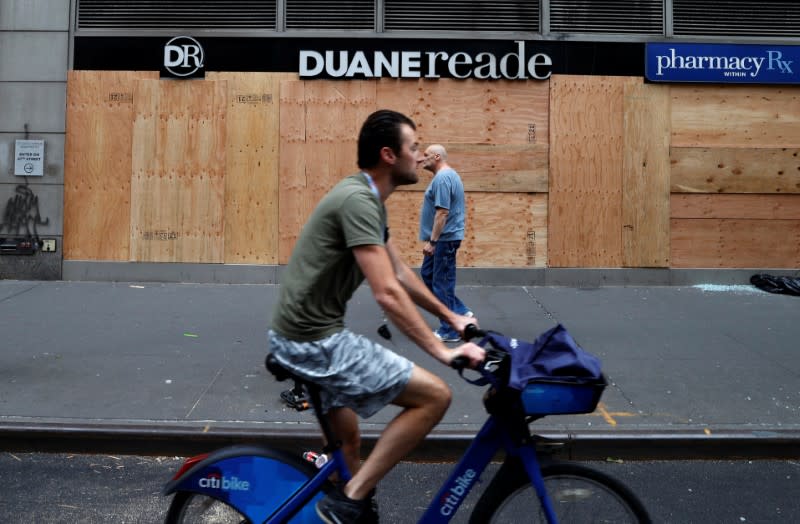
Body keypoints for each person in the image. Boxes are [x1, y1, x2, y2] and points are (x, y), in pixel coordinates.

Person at [268, 109, 486, 524]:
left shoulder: (367, 197)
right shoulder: (358, 200)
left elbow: (401, 273)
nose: (420, 156)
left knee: (348, 444)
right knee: (435, 395)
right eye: (413, 147)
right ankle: (348, 501)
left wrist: (451, 317)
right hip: (313, 340)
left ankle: (347, 501)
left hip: (305, 334)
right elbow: (386, 291)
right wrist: (442, 351)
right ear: (389, 155)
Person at [419, 144, 472, 342]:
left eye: (426, 155)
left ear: (437, 156)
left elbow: (442, 213)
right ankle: (460, 312)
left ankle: (450, 329)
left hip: (444, 239)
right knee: (428, 275)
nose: (422, 159)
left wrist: (433, 242)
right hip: (444, 239)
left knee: (441, 283)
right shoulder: (446, 176)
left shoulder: (442, 178)